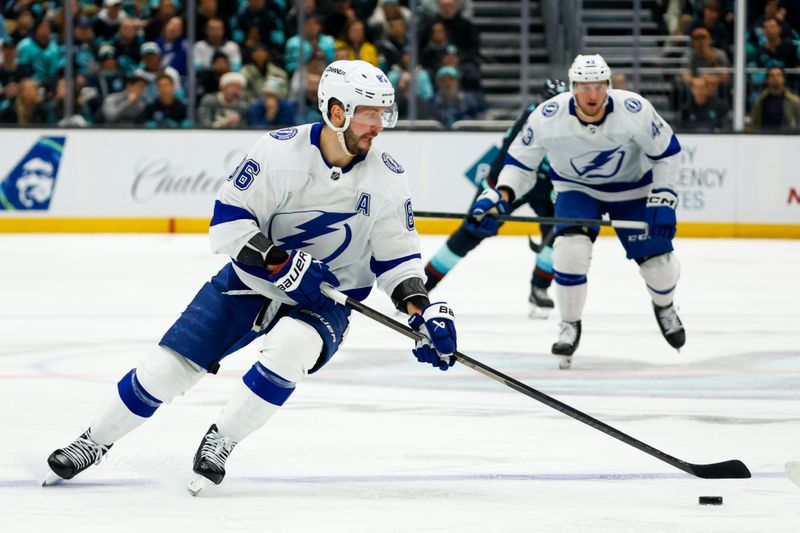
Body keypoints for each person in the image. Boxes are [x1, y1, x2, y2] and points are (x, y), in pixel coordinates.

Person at [44, 59, 459, 493]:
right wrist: (279, 262)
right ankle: (92, 440)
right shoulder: (277, 152)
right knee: (167, 369)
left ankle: (221, 440)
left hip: (325, 300)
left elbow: (398, 259)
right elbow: (228, 224)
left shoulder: (389, 177)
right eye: (368, 113)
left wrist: (422, 312)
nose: (378, 126)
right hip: (250, 281)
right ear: (336, 112)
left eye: (383, 114)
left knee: (290, 349)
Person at [470, 54, 686, 369]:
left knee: (660, 264)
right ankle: (570, 323)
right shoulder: (547, 116)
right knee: (569, 252)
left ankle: (664, 306)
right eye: (584, 87)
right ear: (572, 89)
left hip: (633, 189)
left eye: (599, 86)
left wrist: (664, 195)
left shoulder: (634, 110)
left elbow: (667, 152)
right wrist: (501, 194)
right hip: (576, 190)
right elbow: (520, 164)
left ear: (608, 87)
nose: (592, 95)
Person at [424, 79, 570, 318]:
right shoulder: (533, 119)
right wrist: (492, 196)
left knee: (557, 234)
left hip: (545, 186)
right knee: (471, 231)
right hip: (514, 180)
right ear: (541, 102)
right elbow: (505, 160)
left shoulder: (572, 123)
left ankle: (539, 289)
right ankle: (424, 285)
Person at [749, 66, 800, 131]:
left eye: (779, 75)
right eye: (772, 76)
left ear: (783, 79)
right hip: (764, 138)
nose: (775, 78)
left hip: (787, 138)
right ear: (767, 80)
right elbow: (753, 124)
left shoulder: (795, 102)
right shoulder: (759, 101)